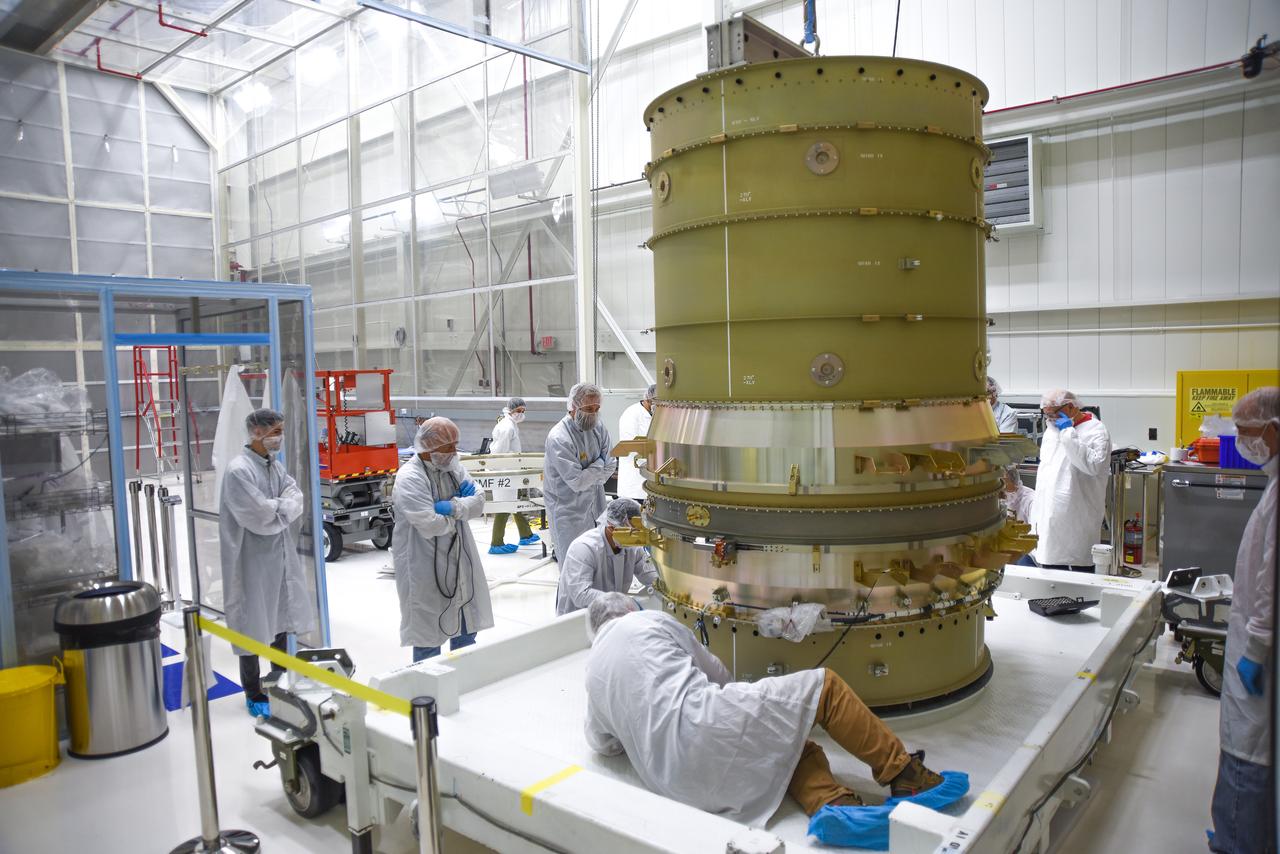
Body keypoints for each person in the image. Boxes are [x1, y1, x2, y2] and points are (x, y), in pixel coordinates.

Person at [583, 593, 966, 839]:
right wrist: (741, 707)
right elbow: (715, 671)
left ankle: (836, 806)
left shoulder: (592, 672)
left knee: (787, 738)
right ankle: (905, 775)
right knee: (824, 687)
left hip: (674, 784)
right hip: (708, 726)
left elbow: (602, 744)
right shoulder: (647, 620)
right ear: (629, 608)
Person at [1209, 387, 1279, 854]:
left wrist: (1256, 647)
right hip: (1258, 635)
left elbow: (1271, 574)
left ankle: (1239, 840)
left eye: (1245, 431)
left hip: (1260, 648)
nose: (1240, 439)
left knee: (1248, 742)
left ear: (1272, 431)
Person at [219, 408, 314, 718]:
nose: (279, 438)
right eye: (274, 432)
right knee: (251, 621)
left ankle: (282, 680)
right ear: (256, 433)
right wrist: (280, 509)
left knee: (280, 619)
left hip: (277, 555)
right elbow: (259, 516)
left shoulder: (274, 466)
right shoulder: (239, 470)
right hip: (250, 559)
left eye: (280, 431)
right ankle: (253, 690)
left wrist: (280, 508)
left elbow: (295, 496)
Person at [392, 417, 494, 662]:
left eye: (455, 445)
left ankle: (464, 678)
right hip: (423, 562)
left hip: (460, 555)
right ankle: (428, 685)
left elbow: (479, 501)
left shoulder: (453, 467)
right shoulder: (410, 478)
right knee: (429, 632)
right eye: (448, 447)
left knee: (465, 620)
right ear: (429, 448)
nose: (454, 452)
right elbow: (429, 524)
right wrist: (461, 509)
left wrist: (451, 507)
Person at [1020, 389, 1112, 572]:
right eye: (1046, 414)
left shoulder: (1096, 430)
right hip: (1048, 508)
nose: (1050, 419)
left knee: (1075, 560)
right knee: (1046, 557)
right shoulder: (1051, 430)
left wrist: (1068, 434)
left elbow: (1094, 466)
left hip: (1075, 509)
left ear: (1071, 407)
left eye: (1054, 413)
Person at [543, 382, 617, 559]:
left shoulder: (599, 428)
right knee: (572, 564)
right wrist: (599, 464)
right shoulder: (559, 438)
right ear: (573, 406)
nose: (592, 413)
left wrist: (594, 471)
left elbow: (611, 464)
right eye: (588, 408)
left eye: (596, 408)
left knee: (596, 561)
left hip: (595, 507)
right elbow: (577, 481)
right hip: (567, 512)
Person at [556, 498, 658, 615]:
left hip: (612, 613)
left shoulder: (631, 547)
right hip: (578, 616)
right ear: (611, 528)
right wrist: (620, 601)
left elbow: (652, 578)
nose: (636, 538)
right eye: (631, 533)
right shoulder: (584, 548)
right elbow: (580, 595)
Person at [488, 396, 540, 555]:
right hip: (504, 471)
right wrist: (516, 461)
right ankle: (496, 543)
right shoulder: (507, 427)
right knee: (504, 506)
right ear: (511, 410)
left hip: (510, 470)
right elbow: (499, 453)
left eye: (523, 411)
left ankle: (525, 534)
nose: (521, 414)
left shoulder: (510, 424)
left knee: (515, 503)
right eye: (519, 411)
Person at [616, 384, 656, 499]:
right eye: (657, 403)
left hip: (649, 476)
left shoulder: (654, 414)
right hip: (634, 481)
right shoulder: (631, 414)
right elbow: (631, 446)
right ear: (648, 400)